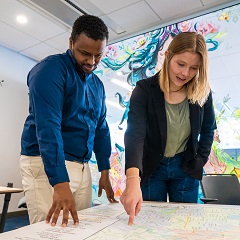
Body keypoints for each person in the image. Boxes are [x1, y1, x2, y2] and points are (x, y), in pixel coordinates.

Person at [20, 14, 117, 227]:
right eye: (85, 53)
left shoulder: (97, 85)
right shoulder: (50, 71)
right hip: (45, 162)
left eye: (98, 55)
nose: (91, 62)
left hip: (81, 166)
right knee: (49, 231)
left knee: (78, 229)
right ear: (71, 43)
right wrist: (60, 181)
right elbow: (48, 127)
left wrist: (104, 171)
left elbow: (101, 129)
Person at [120, 32, 217, 225]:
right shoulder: (144, 89)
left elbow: (208, 130)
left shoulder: (202, 92)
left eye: (194, 68)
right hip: (152, 167)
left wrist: (200, 161)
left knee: (182, 225)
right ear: (168, 55)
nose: (185, 73)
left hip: (185, 167)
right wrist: (132, 179)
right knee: (148, 223)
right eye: (181, 64)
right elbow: (135, 133)